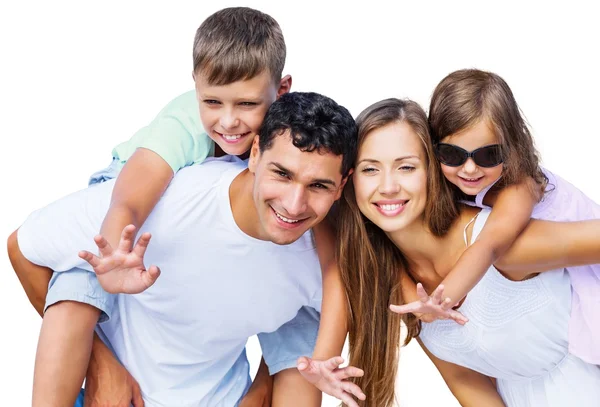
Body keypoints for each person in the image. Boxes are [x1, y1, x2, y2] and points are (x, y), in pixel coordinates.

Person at [7, 7, 360, 406]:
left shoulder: (298, 145)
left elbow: (335, 271)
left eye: (246, 105)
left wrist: (320, 362)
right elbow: (128, 200)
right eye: (212, 102)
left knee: (297, 307)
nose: (229, 122)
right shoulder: (184, 131)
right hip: (128, 192)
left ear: (281, 91)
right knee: (80, 281)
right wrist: (116, 255)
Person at [337, 98, 600, 406]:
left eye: (406, 167)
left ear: (433, 170)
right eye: (370, 169)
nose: (388, 186)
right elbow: (466, 382)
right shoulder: (401, 282)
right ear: (351, 179)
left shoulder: (500, 244)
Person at [391, 69, 599, 364]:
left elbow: (491, 243)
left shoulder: (521, 185)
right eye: (452, 154)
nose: (470, 169)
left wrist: (442, 299)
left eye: (488, 155)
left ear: (511, 146)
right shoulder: (441, 189)